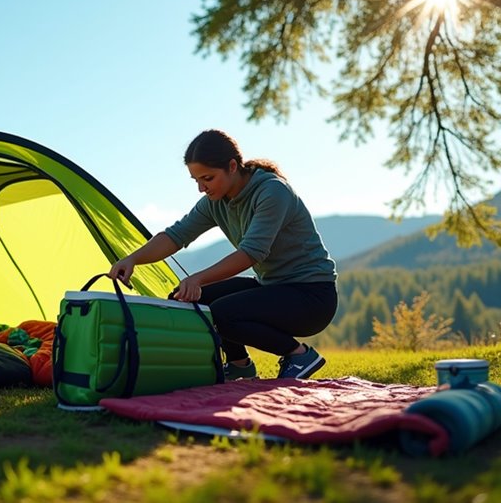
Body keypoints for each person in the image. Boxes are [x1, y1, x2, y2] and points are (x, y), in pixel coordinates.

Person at [108, 129, 337, 380]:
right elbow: (176, 235)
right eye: (196, 180)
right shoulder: (215, 201)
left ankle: (299, 355)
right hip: (272, 287)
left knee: (222, 313)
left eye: (207, 178)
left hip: (312, 296)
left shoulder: (273, 191)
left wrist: (197, 278)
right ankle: (240, 365)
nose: (201, 188)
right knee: (188, 300)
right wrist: (132, 259)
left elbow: (251, 253)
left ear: (232, 166)